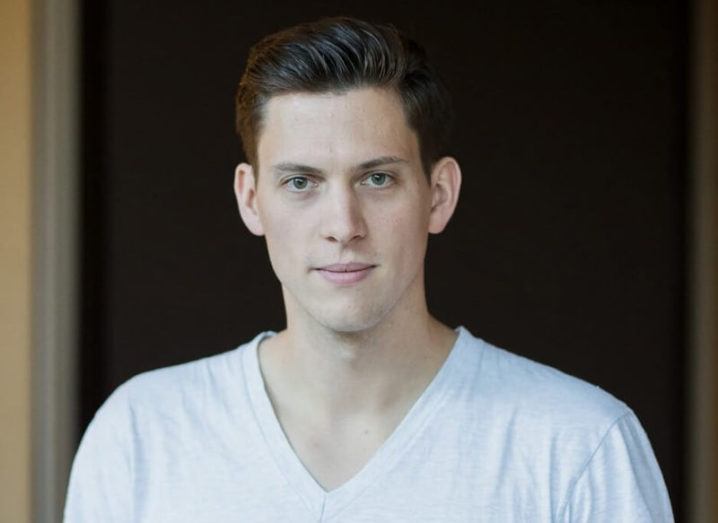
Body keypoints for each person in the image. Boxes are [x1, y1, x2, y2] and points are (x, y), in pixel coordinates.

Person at [64, 16, 673, 522]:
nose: (343, 224)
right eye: (300, 182)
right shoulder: (143, 434)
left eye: (377, 178)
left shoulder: (577, 446)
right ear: (251, 199)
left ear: (439, 194)